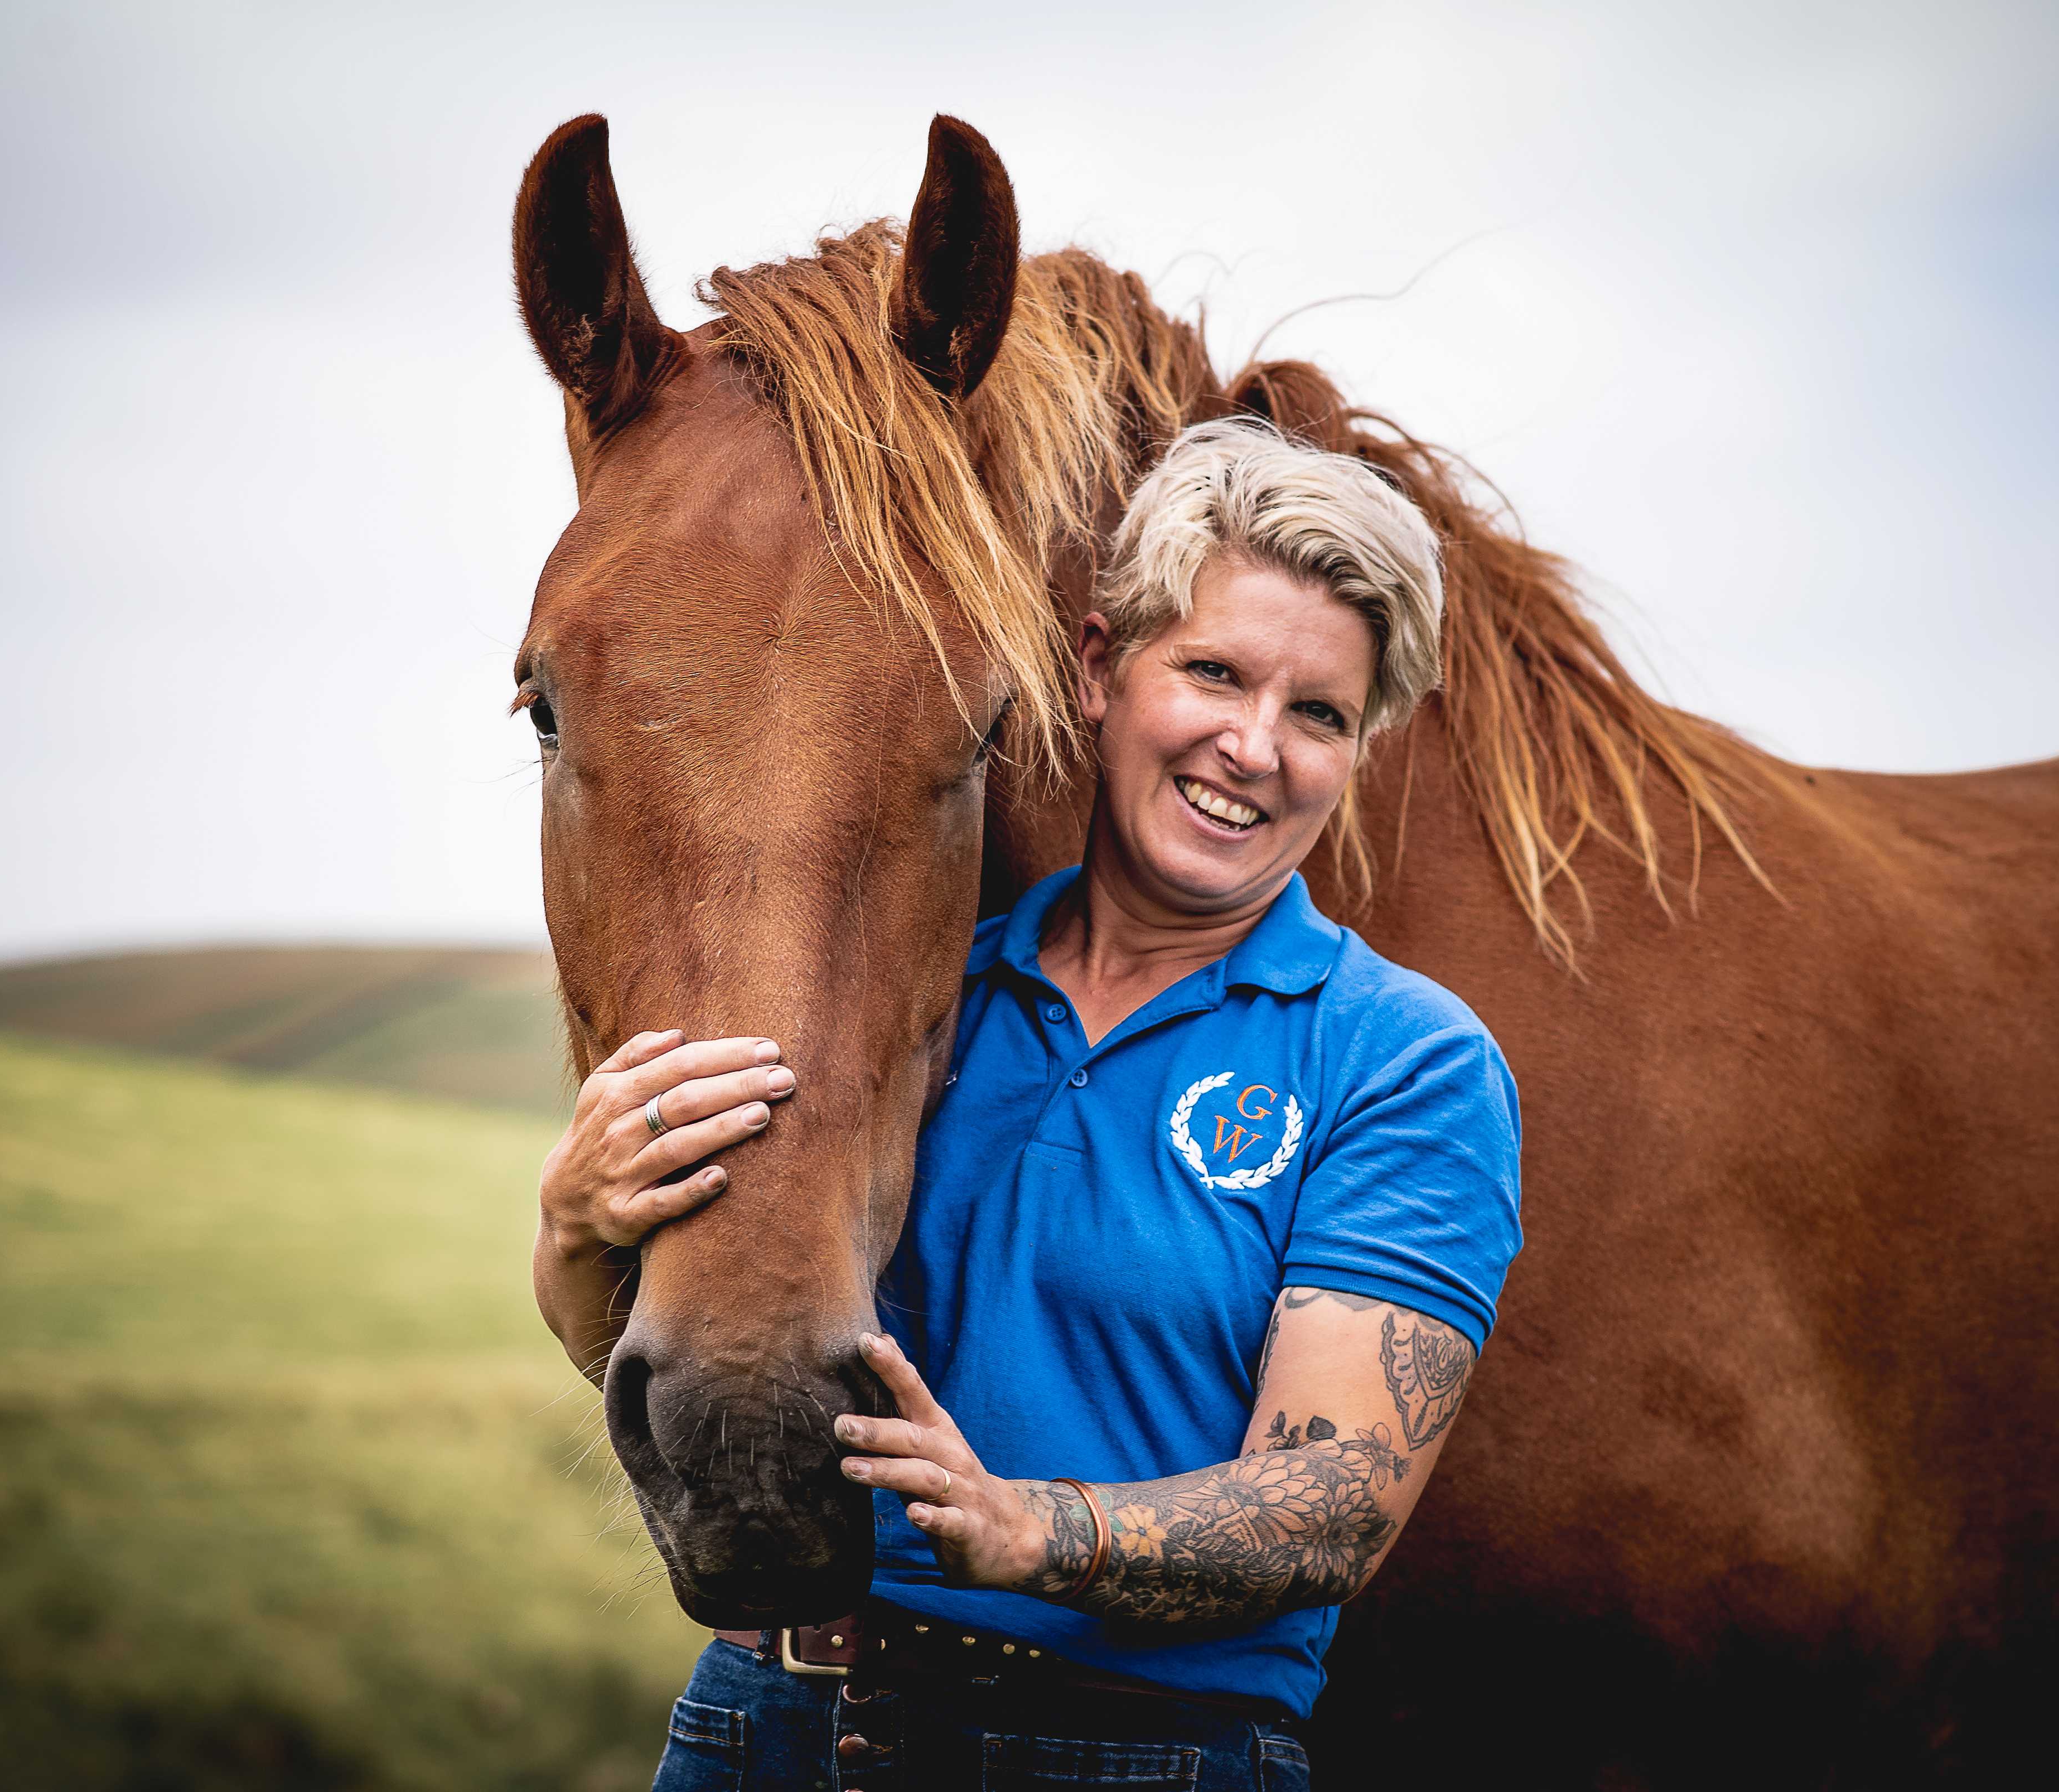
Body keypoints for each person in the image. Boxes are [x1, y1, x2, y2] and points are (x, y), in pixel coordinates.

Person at [539, 418, 1522, 1789]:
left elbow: (1335, 1505)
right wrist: (575, 1226)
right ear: (1101, 667)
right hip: (765, 1724)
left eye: (1319, 714)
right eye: (1214, 673)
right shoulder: (928, 994)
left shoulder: (1400, 1058)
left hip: (1134, 1753)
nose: (1252, 745)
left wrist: (1029, 1529)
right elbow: (692, 1360)